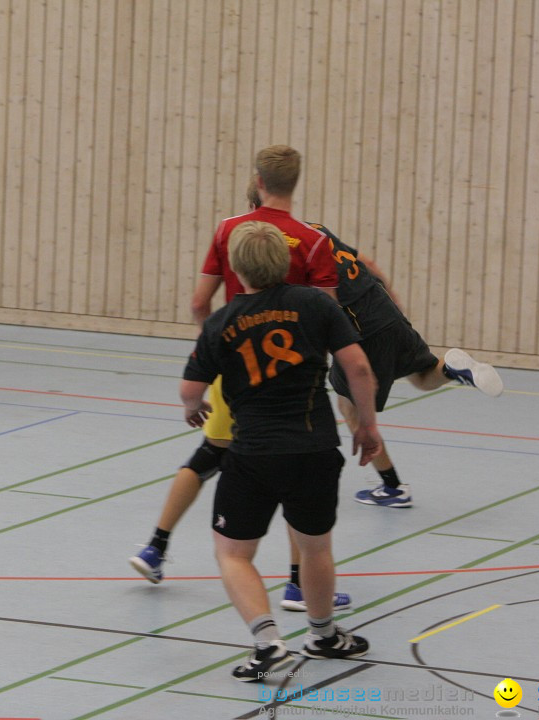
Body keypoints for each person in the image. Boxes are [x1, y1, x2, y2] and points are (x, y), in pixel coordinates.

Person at [131, 145, 351, 614]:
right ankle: (296, 584)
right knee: (297, 463)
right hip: (294, 373)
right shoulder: (312, 241)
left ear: (258, 179)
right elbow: (329, 313)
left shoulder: (231, 230)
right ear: (297, 179)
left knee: (212, 454)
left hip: (237, 364)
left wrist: (214, 346)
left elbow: (198, 303)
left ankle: (156, 545)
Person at [181, 220, 381, 681]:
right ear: (285, 263)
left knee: (233, 554)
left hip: (253, 455)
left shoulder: (222, 321)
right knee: (314, 547)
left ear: (235, 267)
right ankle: (325, 634)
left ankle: (268, 643)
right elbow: (359, 368)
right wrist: (368, 427)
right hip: (314, 447)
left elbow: (189, 388)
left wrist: (195, 408)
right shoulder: (314, 304)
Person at [305, 201, 503, 509]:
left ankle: (393, 487)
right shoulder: (315, 229)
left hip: (359, 326)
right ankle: (452, 368)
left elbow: (322, 302)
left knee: (349, 406)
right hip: (381, 306)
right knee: (423, 377)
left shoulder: (285, 249)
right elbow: (365, 262)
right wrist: (391, 298)